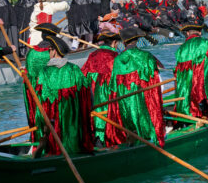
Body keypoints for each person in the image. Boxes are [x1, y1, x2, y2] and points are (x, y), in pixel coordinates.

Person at [32, 24, 93, 155]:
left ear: (54, 51)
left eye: (49, 50)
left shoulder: (44, 72)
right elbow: (86, 95)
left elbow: (40, 99)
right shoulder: (73, 69)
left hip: (51, 120)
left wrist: (40, 121)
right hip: (71, 118)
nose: (48, 53)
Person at [106, 26, 165, 147]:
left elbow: (113, 88)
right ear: (137, 40)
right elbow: (156, 84)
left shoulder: (117, 60)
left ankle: (130, 137)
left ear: (123, 42)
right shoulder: (146, 56)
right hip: (143, 100)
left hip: (125, 103)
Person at [81, 29, 121, 147]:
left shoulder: (92, 55)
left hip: (92, 92)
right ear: (114, 43)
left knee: (96, 113)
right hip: (108, 92)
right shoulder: (115, 56)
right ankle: (106, 138)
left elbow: (83, 74)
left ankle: (96, 137)